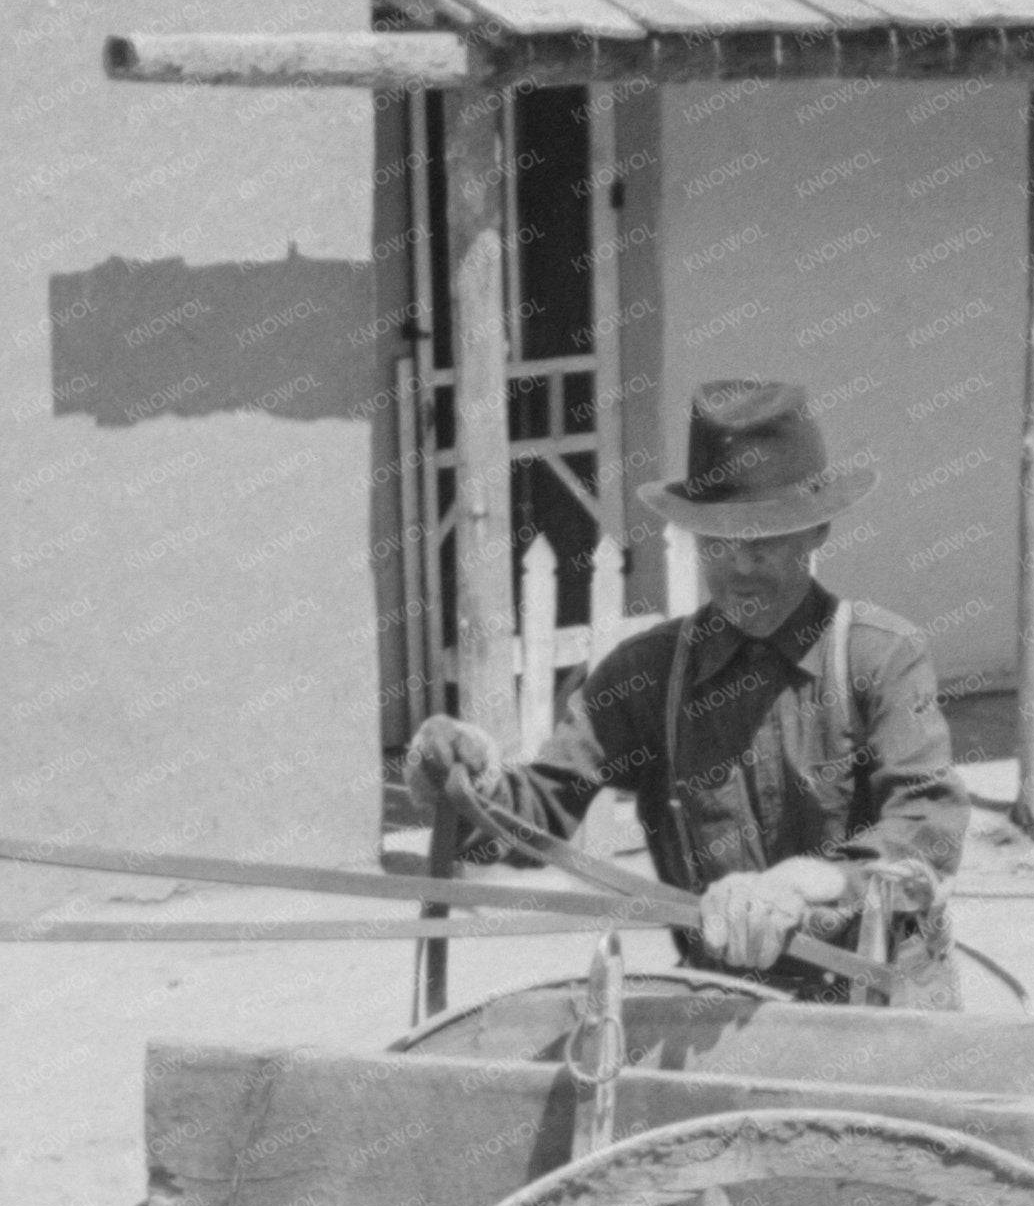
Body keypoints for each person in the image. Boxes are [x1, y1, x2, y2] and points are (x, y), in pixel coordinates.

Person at [402, 381, 966, 1007]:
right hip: (724, 1007)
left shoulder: (879, 655)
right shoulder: (648, 673)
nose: (740, 567)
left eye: (765, 541)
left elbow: (929, 828)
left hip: (881, 1002)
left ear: (817, 532)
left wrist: (810, 881)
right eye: (718, 542)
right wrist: (471, 788)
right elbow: (542, 810)